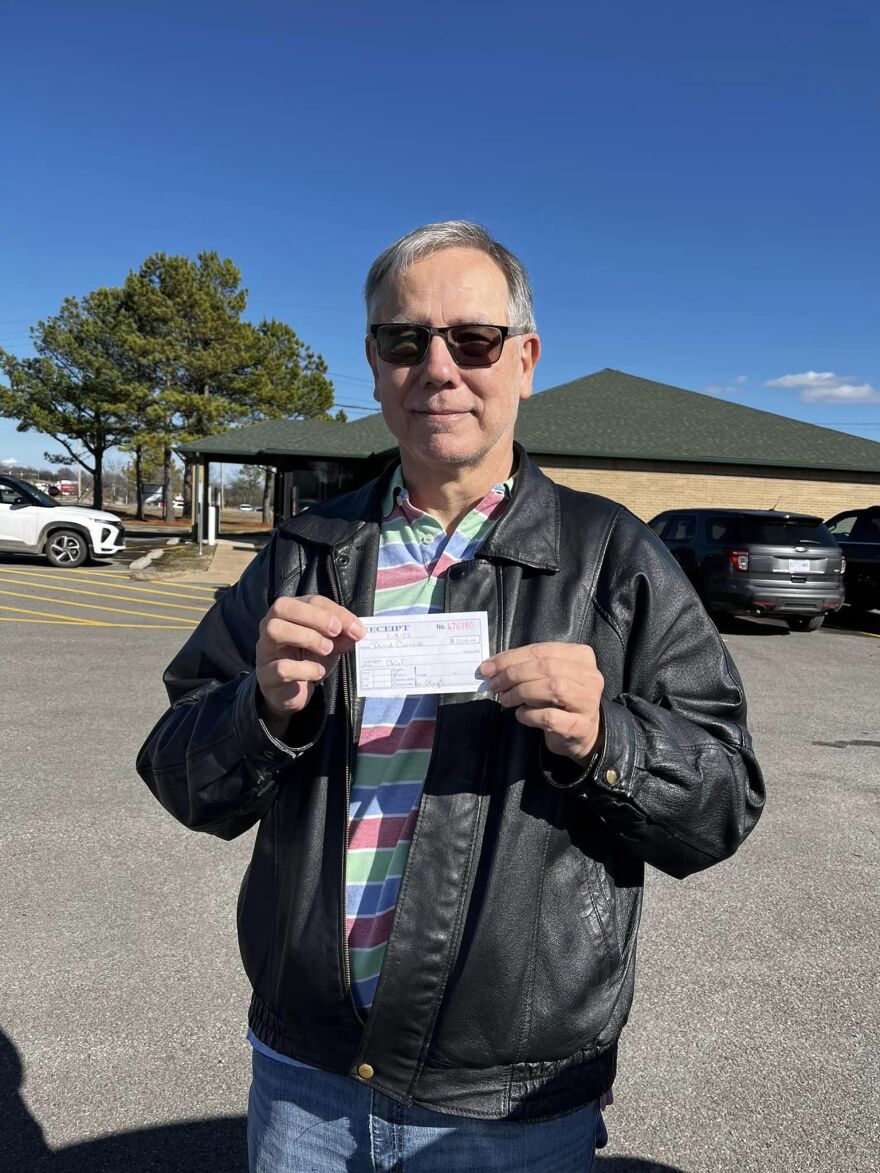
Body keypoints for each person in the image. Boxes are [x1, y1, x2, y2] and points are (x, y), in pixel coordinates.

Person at [137, 221, 765, 1172]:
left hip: (511, 1100)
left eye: (472, 339)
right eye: (405, 340)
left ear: (524, 359)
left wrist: (607, 739)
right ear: (377, 364)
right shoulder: (307, 551)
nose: (439, 367)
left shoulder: (610, 558)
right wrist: (260, 710)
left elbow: (722, 803)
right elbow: (179, 774)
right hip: (304, 1077)